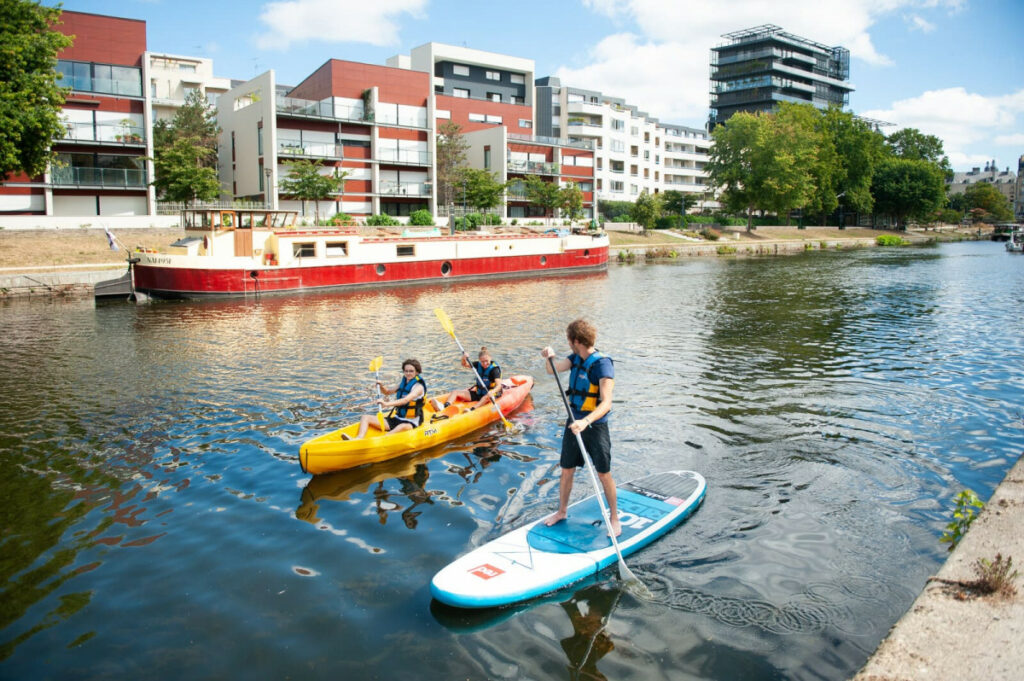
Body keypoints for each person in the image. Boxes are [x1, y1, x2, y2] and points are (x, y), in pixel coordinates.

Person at [540, 319, 619, 536]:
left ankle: (614, 517)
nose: (568, 344)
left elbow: (606, 403)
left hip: (594, 426)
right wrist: (549, 357)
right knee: (566, 470)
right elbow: (552, 371)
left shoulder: (603, 364)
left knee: (604, 474)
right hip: (573, 423)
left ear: (576, 341)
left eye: (569, 341)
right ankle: (562, 511)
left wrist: (586, 422)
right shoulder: (575, 358)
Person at [345, 359, 426, 440]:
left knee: (402, 426)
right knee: (365, 417)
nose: (408, 373)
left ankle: (382, 439)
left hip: (411, 422)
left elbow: (405, 400)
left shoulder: (419, 387)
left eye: (411, 371)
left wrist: (386, 404)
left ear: (417, 372)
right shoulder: (403, 384)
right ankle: (358, 438)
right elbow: (387, 392)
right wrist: (381, 386)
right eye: (406, 371)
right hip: (397, 419)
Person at [430, 347, 501, 412]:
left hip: (490, 395)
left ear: (490, 358)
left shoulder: (494, 370)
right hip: (478, 393)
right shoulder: (477, 365)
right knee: (455, 392)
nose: (485, 363)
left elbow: (499, 386)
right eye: (482, 362)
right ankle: (445, 406)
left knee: (486, 396)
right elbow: (464, 364)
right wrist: (463, 358)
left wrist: (492, 392)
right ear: (479, 360)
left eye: (486, 361)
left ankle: (472, 409)